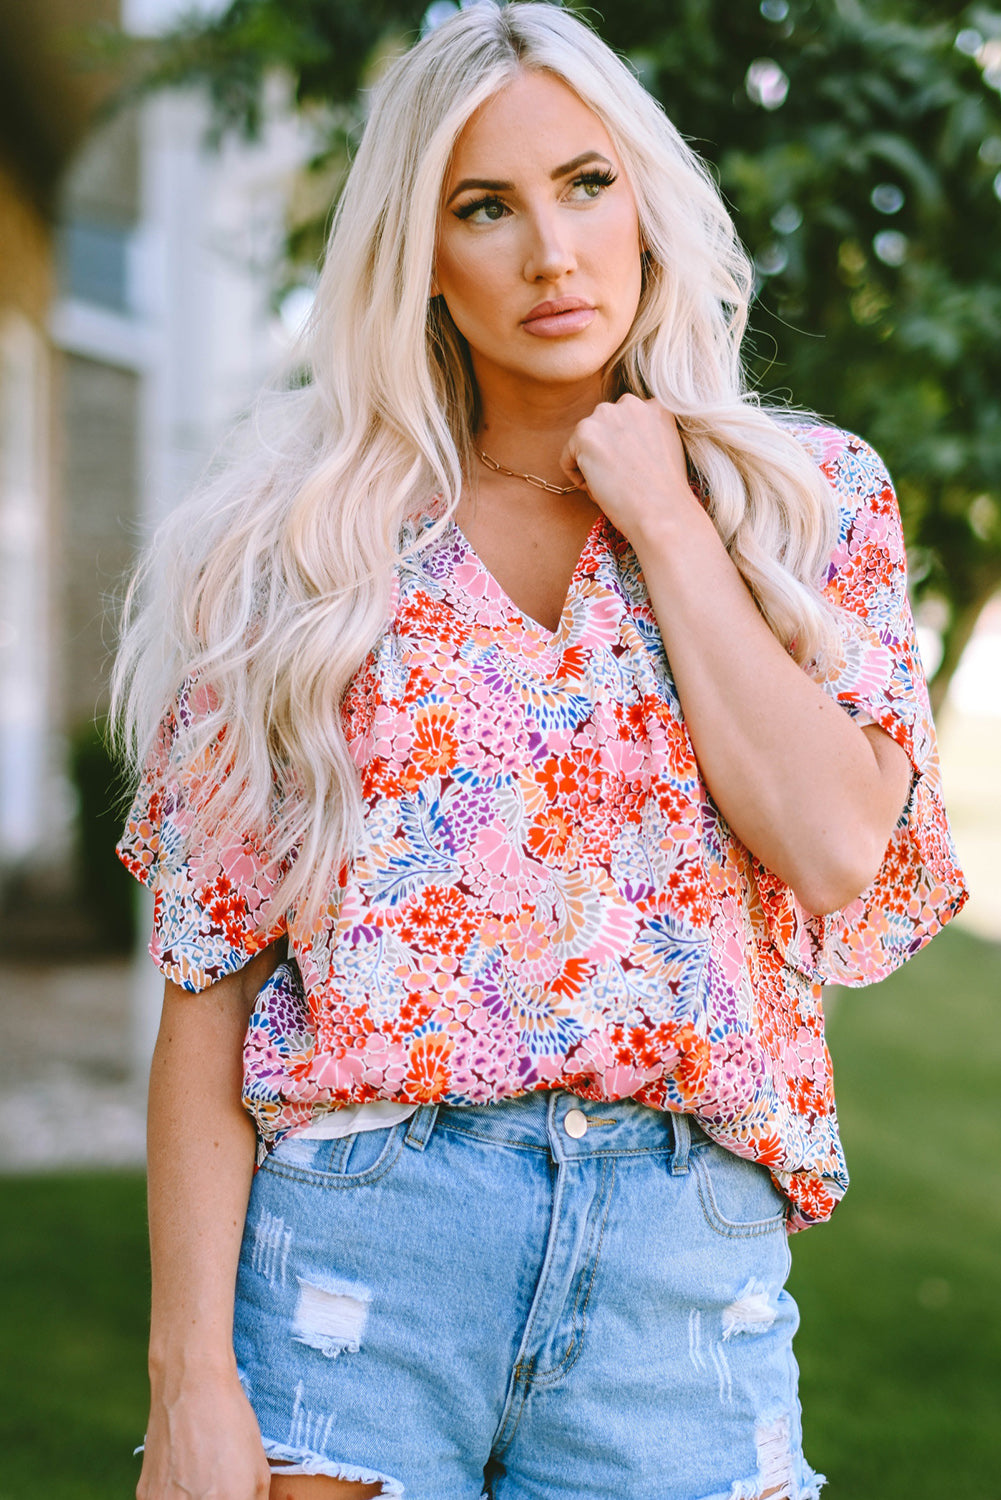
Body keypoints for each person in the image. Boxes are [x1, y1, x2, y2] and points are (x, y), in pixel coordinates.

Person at [112, 5, 967, 1498]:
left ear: (645, 200)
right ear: (421, 257)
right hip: (356, 1273)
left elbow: (835, 846)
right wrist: (190, 1380)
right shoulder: (300, 550)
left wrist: (665, 515)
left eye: (583, 185)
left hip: (675, 1294)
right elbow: (209, 984)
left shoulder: (803, 506)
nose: (550, 254)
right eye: (483, 208)